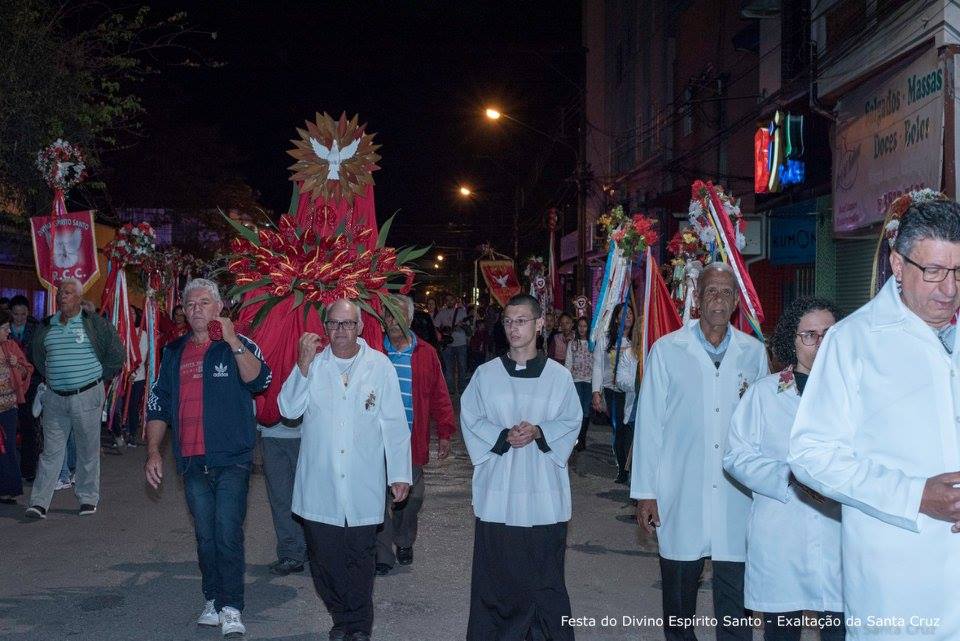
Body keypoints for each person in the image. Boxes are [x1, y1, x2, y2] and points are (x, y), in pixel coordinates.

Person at [788, 199, 960, 640]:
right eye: (935, 271)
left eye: (959, 272)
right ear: (897, 265)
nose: (949, 289)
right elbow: (811, 455)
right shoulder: (853, 342)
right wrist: (914, 496)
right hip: (895, 585)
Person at [632, 263, 769, 641]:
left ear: (736, 302)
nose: (719, 300)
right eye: (712, 291)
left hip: (736, 496)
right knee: (679, 603)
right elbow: (649, 425)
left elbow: (763, 427)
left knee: (735, 603)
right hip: (680, 492)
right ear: (698, 297)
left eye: (727, 293)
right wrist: (646, 492)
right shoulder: (667, 351)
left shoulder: (753, 354)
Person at [144, 278, 271, 638]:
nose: (196, 309)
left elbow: (260, 380)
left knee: (227, 533)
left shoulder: (239, 345)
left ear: (219, 308)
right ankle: (212, 599)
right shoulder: (173, 352)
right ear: (183, 311)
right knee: (205, 535)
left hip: (231, 457)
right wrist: (154, 451)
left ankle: (232, 606)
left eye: (204, 302)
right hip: (191, 459)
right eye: (190, 304)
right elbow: (159, 405)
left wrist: (231, 341)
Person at [278, 298, 411, 641]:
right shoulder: (314, 365)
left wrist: (399, 474)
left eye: (348, 324)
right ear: (325, 327)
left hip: (362, 483)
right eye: (334, 324)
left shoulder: (379, 366)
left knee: (360, 560)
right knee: (324, 562)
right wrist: (302, 366)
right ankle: (342, 616)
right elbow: (288, 408)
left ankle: (356, 626)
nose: (340, 331)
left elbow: (394, 423)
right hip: (320, 485)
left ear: (361, 327)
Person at [460, 293, 582, 641]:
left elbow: (572, 420)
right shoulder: (485, 375)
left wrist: (541, 431)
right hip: (499, 495)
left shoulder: (559, 377)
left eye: (522, 320)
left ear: (540, 324)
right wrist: (501, 435)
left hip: (545, 498)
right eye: (509, 321)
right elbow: (470, 419)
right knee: (496, 579)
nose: (514, 328)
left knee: (545, 581)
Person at [723, 297, 844, 641]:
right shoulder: (765, 394)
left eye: (829, 334)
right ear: (791, 340)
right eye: (810, 335)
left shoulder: (857, 394)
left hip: (839, 536)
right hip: (781, 536)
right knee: (782, 629)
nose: (821, 343)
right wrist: (788, 477)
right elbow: (736, 455)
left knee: (840, 627)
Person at [25, 277, 124, 519]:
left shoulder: (93, 324)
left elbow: (116, 351)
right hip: (55, 399)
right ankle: (39, 503)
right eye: (61, 293)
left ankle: (88, 498)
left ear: (79, 298)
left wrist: (101, 376)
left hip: (87, 395)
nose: (62, 296)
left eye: (68, 293)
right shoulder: (47, 325)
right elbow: (36, 353)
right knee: (50, 452)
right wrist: (52, 376)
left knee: (87, 449)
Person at [375, 295, 455, 575]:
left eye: (398, 316)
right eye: (388, 316)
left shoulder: (426, 353)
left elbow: (439, 395)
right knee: (379, 499)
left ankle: (404, 539)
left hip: (411, 440)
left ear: (409, 320)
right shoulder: (374, 352)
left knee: (412, 497)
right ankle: (383, 554)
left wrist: (445, 431)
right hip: (377, 440)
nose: (393, 321)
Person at [591, 303, 634, 483]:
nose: (629, 316)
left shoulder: (637, 340)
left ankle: (632, 467)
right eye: (624, 313)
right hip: (613, 391)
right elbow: (598, 367)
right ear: (616, 318)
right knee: (619, 429)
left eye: (631, 313)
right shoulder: (606, 339)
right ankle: (622, 468)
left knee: (631, 430)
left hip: (632, 392)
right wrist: (596, 392)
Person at [0, 311, 34, 503]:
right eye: (4, 328)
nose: (8, 332)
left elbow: (26, 370)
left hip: (8, 408)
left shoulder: (11, 347)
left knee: (9, 448)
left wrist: (17, 366)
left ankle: (8, 489)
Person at [9, 295, 40, 481]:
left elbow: (39, 357)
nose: (19, 317)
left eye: (23, 314)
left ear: (28, 313)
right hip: (9, 387)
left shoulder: (35, 330)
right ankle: (10, 470)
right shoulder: (5, 331)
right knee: (10, 429)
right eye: (16, 314)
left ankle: (28, 470)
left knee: (30, 428)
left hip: (31, 384)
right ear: (10, 314)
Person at [565, 316, 593, 451]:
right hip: (575, 380)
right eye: (580, 326)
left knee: (586, 410)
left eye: (585, 326)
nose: (582, 329)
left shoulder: (592, 343)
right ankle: (576, 438)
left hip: (589, 381)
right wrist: (567, 381)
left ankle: (582, 437)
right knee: (577, 411)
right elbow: (568, 362)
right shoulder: (572, 343)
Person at [433, 294, 469, 394]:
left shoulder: (462, 312)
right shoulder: (441, 313)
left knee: (462, 367)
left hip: (461, 343)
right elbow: (435, 326)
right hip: (447, 344)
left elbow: (468, 328)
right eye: (447, 300)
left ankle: (462, 389)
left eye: (451, 300)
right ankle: (450, 389)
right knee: (448, 368)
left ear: (455, 301)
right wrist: (442, 333)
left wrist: (463, 326)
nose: (449, 302)